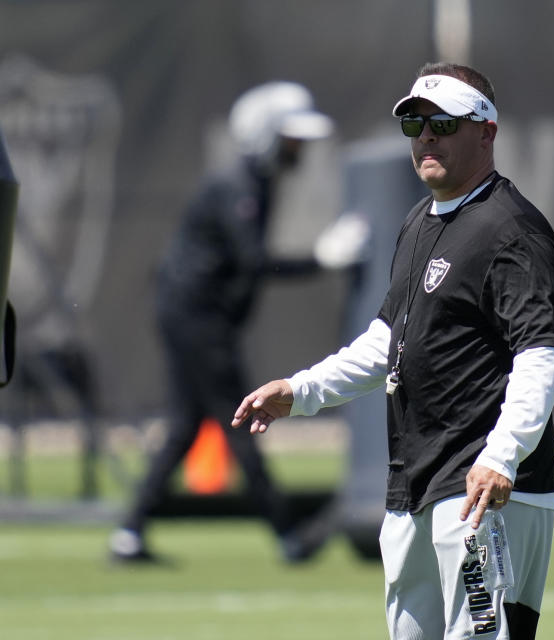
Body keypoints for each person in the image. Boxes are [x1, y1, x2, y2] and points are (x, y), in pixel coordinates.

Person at [232, 63, 554, 639]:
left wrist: (502, 455)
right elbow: (389, 341)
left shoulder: (512, 229)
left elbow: (540, 351)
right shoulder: (420, 221)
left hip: (479, 488)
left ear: (485, 131)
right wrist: (302, 390)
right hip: (415, 485)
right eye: (415, 123)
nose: (427, 136)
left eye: (443, 122)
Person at [109, 81, 359, 564]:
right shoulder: (238, 185)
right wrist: (324, 259)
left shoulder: (257, 182)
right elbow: (252, 260)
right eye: (291, 138)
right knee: (243, 418)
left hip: (194, 314)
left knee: (186, 425)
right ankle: (289, 535)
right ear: (266, 135)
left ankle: (128, 533)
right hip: (197, 316)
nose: (299, 148)